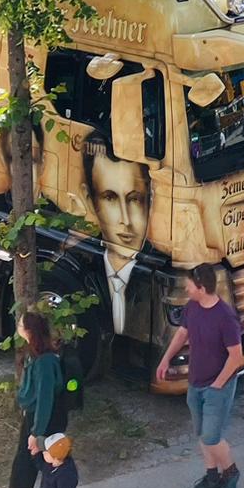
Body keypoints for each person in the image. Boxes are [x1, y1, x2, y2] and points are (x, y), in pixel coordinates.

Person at [156, 263, 243, 488]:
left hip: (218, 386)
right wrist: (165, 360)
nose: (186, 289)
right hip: (196, 382)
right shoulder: (192, 307)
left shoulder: (226, 317)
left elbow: (236, 357)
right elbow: (182, 334)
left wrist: (217, 385)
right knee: (202, 435)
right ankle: (212, 478)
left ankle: (231, 473)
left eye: (189, 286)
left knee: (211, 437)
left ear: (201, 288)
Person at [82, 129, 153, 336]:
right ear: (91, 202)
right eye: (110, 198)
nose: (126, 220)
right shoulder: (82, 261)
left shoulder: (164, 269)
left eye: (134, 199)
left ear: (150, 199)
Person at [10, 312, 68, 488]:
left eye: (21, 324)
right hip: (35, 416)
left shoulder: (44, 362)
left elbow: (45, 399)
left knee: (30, 459)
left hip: (42, 419)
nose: (18, 326)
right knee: (41, 459)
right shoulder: (34, 353)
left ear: (29, 331)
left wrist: (36, 432)